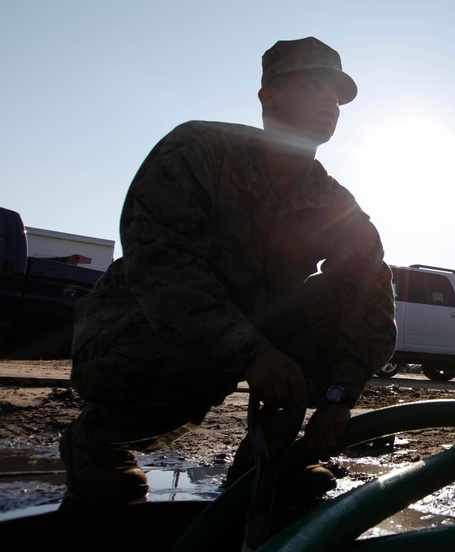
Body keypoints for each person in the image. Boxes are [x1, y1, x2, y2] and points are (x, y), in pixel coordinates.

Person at [59, 37, 397, 507]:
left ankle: (266, 460)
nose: (329, 101)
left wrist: (339, 398)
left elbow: (372, 294)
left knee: (339, 296)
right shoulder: (199, 150)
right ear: (269, 97)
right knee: (194, 364)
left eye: (337, 95)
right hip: (137, 331)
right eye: (313, 85)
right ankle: (96, 443)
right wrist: (252, 352)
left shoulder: (333, 203)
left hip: (247, 331)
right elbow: (163, 270)